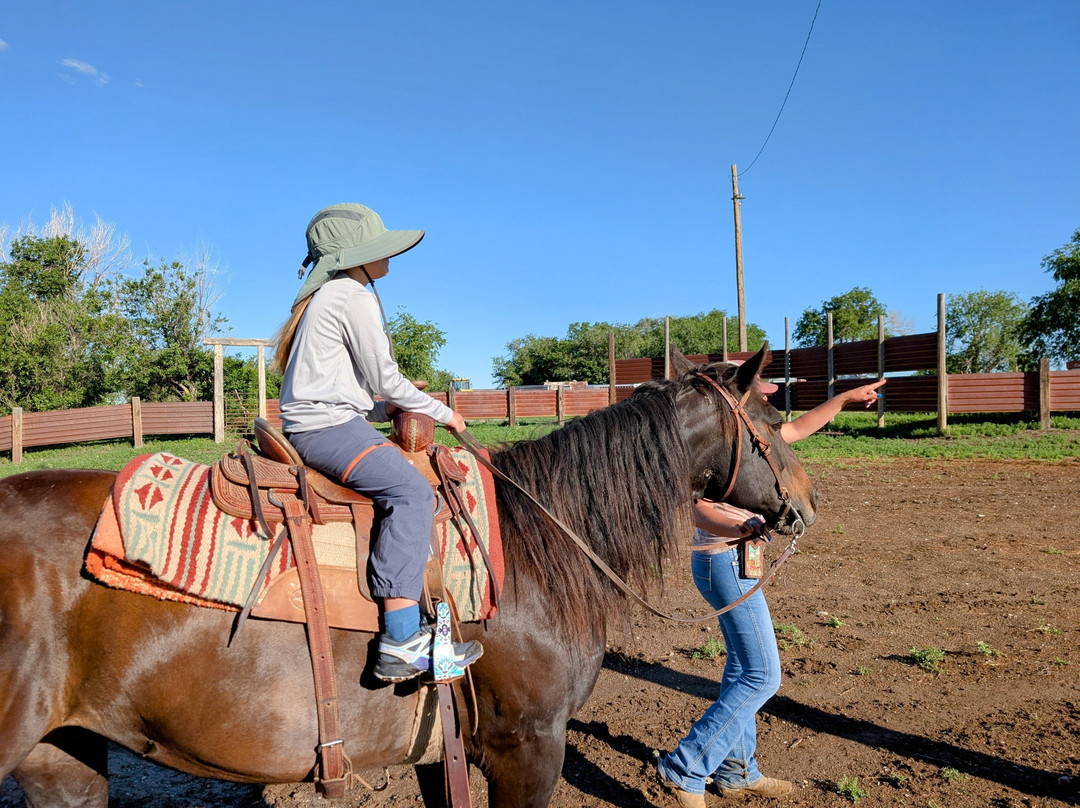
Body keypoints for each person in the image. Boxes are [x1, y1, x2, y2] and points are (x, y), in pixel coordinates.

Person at [273, 202, 482, 683]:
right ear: (354, 256)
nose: (389, 256)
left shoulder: (330, 296)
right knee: (412, 493)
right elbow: (387, 377)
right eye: (377, 247)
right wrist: (446, 413)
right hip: (325, 429)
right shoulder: (351, 295)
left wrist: (380, 410)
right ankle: (402, 637)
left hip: (323, 421)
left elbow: (341, 386)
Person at [657, 370, 886, 806]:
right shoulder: (709, 443)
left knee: (742, 669)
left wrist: (842, 399)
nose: (767, 393)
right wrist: (740, 523)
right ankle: (688, 766)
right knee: (763, 675)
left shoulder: (745, 435)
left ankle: (738, 770)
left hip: (731, 562)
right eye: (759, 387)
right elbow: (695, 508)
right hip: (722, 561)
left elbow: (795, 429)